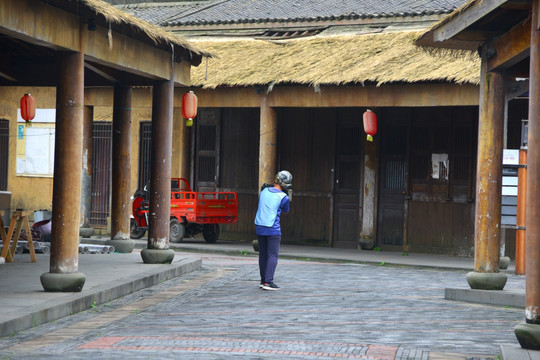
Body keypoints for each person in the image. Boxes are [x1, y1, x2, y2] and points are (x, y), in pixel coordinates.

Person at [254, 170, 292, 291]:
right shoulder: (283, 197)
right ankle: (268, 282)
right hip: (272, 229)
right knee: (272, 255)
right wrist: (288, 196)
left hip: (259, 226)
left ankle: (262, 280)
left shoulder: (264, 191)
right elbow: (286, 211)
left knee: (263, 254)